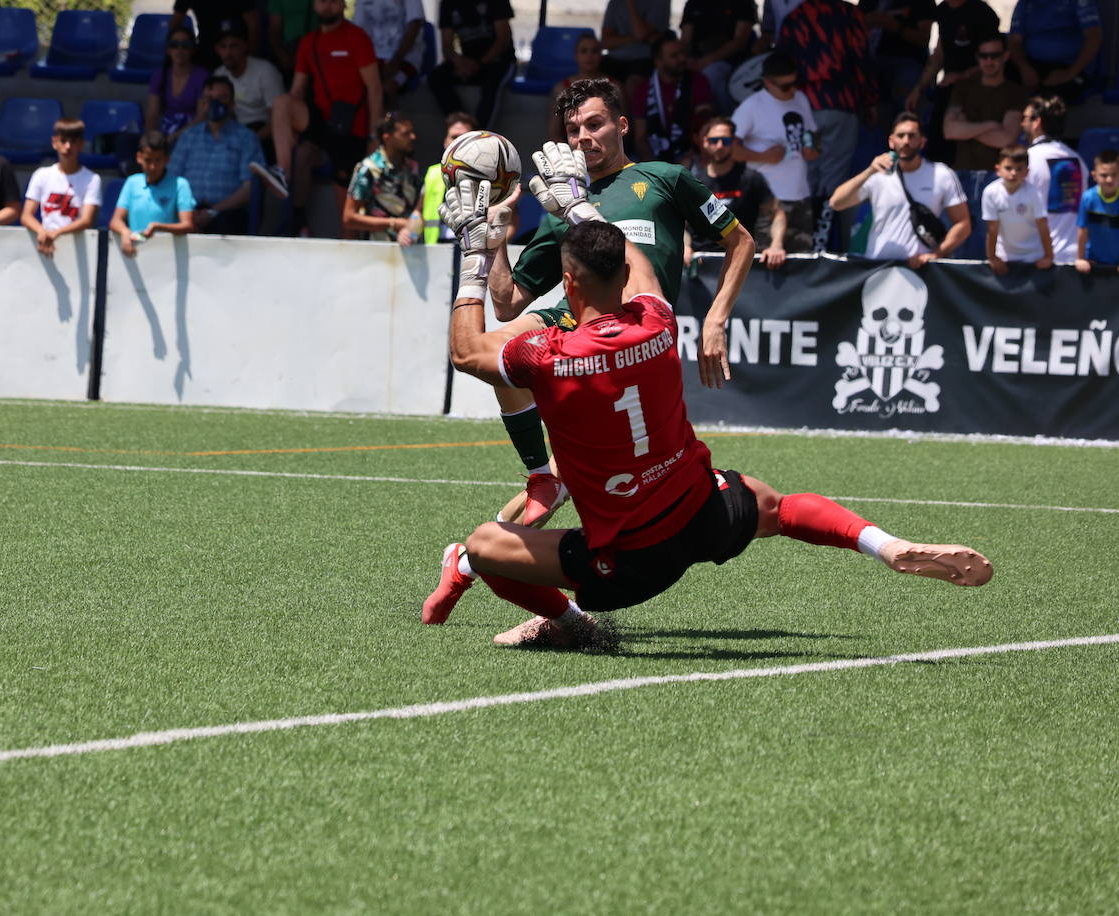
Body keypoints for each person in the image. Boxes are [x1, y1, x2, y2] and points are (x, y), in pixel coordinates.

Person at [422, 193, 992, 647]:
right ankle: (883, 545)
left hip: (628, 561)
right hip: (701, 510)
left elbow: (467, 351)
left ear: (568, 285)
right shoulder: (656, 321)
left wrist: (473, 254)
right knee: (780, 507)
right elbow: (640, 271)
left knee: (485, 547)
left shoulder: (551, 353)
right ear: (621, 274)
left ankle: (572, 623)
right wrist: (579, 206)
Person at [486, 79, 755, 528]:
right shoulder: (563, 204)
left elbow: (741, 242)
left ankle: (479, 555)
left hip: (636, 337)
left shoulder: (665, 179)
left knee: (578, 473)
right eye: (573, 130)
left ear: (622, 125)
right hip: (576, 330)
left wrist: (715, 320)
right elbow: (507, 302)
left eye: (595, 124)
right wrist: (491, 240)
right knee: (495, 354)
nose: (582, 137)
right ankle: (532, 485)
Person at [251, 0, 382, 238]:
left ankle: (350, 260)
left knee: (347, 218)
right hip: (322, 122)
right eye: (322, 2)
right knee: (283, 105)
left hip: (351, 129)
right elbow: (297, 91)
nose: (327, 7)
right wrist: (288, 127)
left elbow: (374, 88)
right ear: (314, 6)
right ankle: (283, 175)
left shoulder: (356, 37)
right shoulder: (309, 42)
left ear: (342, 4)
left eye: (333, 1)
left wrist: (375, 136)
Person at [829, 111, 970, 268]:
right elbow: (836, 203)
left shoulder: (941, 174)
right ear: (891, 141)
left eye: (912, 136)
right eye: (901, 135)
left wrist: (937, 254)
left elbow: (963, 223)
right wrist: (869, 171)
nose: (906, 141)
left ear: (922, 142)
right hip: (879, 266)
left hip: (919, 269)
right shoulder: (878, 174)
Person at [776, 0, 877, 202]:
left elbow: (782, 68)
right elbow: (861, 60)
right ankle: (828, 231)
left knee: (806, 175)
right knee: (835, 180)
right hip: (841, 105)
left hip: (804, 109)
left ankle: (808, 231)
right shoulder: (849, 14)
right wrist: (870, 101)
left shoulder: (794, 18)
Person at [731, 51, 819, 253]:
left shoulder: (801, 99)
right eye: (785, 86)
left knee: (802, 261)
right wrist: (763, 157)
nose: (792, 91)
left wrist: (813, 149)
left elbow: (813, 136)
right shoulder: (751, 107)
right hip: (769, 200)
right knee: (766, 259)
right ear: (767, 83)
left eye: (796, 83)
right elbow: (730, 149)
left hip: (800, 196)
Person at [169, 76, 263, 236]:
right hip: (187, 212)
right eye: (209, 98)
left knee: (226, 224)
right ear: (202, 103)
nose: (215, 103)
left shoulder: (247, 138)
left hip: (226, 214)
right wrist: (188, 212)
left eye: (222, 98)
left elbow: (249, 189)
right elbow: (171, 180)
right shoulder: (189, 136)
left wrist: (212, 211)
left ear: (232, 104)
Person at [690, 116, 786, 269]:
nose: (720, 146)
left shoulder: (752, 178)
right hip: (702, 263)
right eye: (714, 141)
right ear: (705, 142)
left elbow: (777, 214)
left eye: (726, 141)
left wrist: (776, 245)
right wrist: (685, 248)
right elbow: (681, 224)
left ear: (734, 142)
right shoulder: (693, 182)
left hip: (742, 261)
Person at [905, 0, 998, 157]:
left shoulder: (982, 12)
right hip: (950, 88)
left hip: (980, 89)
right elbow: (939, 55)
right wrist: (918, 89)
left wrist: (962, 76)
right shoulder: (943, 10)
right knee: (936, 141)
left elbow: (995, 58)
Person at [942, 33, 1026, 172]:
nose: (988, 61)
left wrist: (965, 127)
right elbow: (949, 131)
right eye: (983, 56)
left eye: (995, 56)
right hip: (962, 172)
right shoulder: (963, 88)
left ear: (1005, 56)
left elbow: (1006, 139)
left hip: (998, 175)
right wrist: (991, 125)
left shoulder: (1015, 93)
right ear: (977, 57)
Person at [429, 0, 515, 132]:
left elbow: (503, 40)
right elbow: (447, 46)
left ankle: (482, 133)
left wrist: (479, 63)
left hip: (498, 61)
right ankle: (461, 123)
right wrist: (460, 63)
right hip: (467, 63)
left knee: (492, 86)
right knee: (437, 76)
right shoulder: (448, 3)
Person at [21, 118, 102, 257]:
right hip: (45, 243)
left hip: (78, 249)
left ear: (81, 144)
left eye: (73, 142)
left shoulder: (92, 179)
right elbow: (26, 216)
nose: (68, 147)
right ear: (54, 143)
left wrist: (57, 233)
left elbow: (86, 220)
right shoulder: (41, 175)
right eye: (63, 141)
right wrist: (41, 231)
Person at [1022, 94, 1087, 264]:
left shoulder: (1027, 161)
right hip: (1074, 258)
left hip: (1039, 260)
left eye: (1025, 118)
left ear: (1037, 122)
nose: (1022, 123)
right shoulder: (1079, 160)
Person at [109, 131, 197, 258]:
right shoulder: (132, 182)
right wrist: (124, 232)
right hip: (137, 255)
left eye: (158, 160)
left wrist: (159, 227)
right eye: (148, 160)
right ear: (139, 157)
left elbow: (187, 225)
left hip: (170, 256)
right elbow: (115, 220)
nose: (153, 166)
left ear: (167, 159)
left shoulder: (181, 185)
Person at [630, 31, 712, 166]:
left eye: (682, 53)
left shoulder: (698, 81)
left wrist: (690, 157)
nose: (682, 59)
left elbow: (705, 127)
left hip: (691, 156)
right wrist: (654, 169)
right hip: (654, 157)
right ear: (658, 62)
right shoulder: (643, 89)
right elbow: (640, 138)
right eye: (674, 56)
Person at [343, 110, 419, 244]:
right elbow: (349, 217)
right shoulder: (369, 169)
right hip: (377, 251)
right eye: (405, 134)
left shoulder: (411, 169)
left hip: (411, 249)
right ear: (387, 137)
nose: (413, 137)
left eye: (412, 132)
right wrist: (393, 223)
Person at [858, 0, 934, 130]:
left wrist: (895, 26)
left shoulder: (922, 3)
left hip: (907, 62)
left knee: (907, 81)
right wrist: (865, 21)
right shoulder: (868, 3)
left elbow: (923, 38)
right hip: (868, 62)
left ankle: (910, 137)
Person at [1007, 0, 1102, 104]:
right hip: (1032, 66)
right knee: (998, 72)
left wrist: (1070, 73)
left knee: (1053, 97)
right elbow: (1014, 41)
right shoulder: (1025, 3)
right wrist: (1024, 68)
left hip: (1070, 67)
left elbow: (1094, 37)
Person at [981, 145, 1052, 275]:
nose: (1013, 173)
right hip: (1004, 258)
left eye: (1019, 169)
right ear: (998, 169)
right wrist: (992, 258)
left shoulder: (1034, 193)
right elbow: (992, 229)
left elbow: (1043, 226)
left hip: (1034, 257)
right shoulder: (990, 192)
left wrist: (1049, 257)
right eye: (1008, 168)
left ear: (1026, 172)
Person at [678, 0, 756, 114]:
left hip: (732, 65)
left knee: (712, 74)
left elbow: (740, 41)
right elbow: (685, 41)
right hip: (695, 62)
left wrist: (705, 62)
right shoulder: (693, 3)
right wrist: (681, 59)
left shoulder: (743, 3)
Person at [213, 25, 284, 144]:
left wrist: (250, 140)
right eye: (223, 47)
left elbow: (278, 121)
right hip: (233, 131)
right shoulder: (218, 75)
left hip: (262, 133)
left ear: (245, 47)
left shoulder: (266, 71)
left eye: (233, 46)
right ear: (217, 49)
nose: (228, 52)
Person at [412, 110, 474, 245]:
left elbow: (511, 220)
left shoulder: (489, 175)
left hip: (473, 250)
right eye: (454, 137)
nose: (458, 142)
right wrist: (409, 231)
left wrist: (494, 246)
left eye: (464, 137)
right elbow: (418, 211)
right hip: (437, 248)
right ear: (446, 141)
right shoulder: (433, 173)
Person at [548, 33, 617, 144]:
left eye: (594, 51)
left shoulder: (614, 87)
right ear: (576, 55)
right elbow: (554, 133)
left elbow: (622, 130)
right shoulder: (561, 89)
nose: (589, 56)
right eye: (584, 51)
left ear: (601, 55)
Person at [352, 0, 425, 103]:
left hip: (406, 56)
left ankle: (393, 117)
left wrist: (395, 62)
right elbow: (358, 32)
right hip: (373, 56)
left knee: (387, 88)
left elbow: (414, 26)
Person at [147, 27, 209, 147]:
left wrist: (172, 138)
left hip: (192, 135)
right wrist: (150, 136)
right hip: (163, 133)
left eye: (185, 45)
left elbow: (201, 118)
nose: (179, 49)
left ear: (193, 50)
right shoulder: (159, 75)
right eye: (174, 44)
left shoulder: (203, 76)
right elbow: (152, 113)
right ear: (168, 50)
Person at [170, 0, 260, 71]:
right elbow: (175, 23)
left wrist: (251, 57)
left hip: (236, 48)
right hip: (205, 49)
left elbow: (253, 24)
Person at [599, 0, 672, 84]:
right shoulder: (615, 2)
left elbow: (640, 33)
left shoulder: (660, 2)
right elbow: (605, 42)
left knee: (634, 82)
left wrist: (631, 6)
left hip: (645, 59)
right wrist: (638, 37)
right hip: (614, 59)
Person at [1075, 149, 1119, 276]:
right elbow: (1082, 231)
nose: (1109, 179)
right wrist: (1081, 258)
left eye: (1114, 174)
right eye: (1104, 175)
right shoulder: (1087, 198)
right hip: (1094, 264)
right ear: (1094, 175)